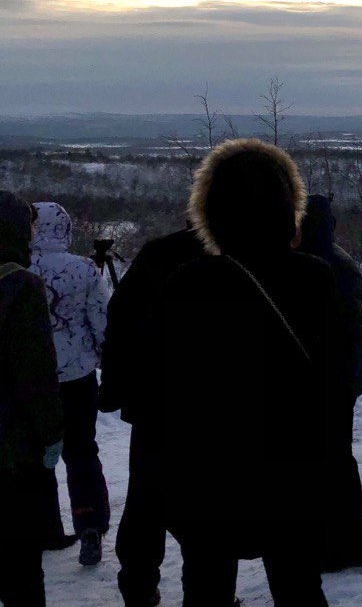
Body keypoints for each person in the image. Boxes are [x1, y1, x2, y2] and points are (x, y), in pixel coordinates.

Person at [161, 138, 351, 606]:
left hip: (206, 478)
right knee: (301, 590)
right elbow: (335, 386)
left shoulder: (189, 284)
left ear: (211, 211)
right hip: (292, 477)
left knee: (205, 592)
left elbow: (164, 392)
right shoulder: (315, 279)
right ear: (289, 210)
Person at [98, 224, 205, 607]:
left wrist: (115, 387)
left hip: (155, 403)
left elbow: (120, 315)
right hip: (215, 408)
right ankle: (207, 592)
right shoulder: (245, 256)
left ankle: (138, 585)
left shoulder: (160, 252)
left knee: (147, 497)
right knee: (207, 508)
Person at [29, 201, 110, 567]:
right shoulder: (85, 270)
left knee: (33, 455)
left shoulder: (15, 270)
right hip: (77, 377)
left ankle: (42, 526)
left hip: (29, 381)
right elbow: (102, 324)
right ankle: (89, 526)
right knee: (80, 451)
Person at [298, 195, 362, 573]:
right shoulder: (342, 262)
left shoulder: (307, 266)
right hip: (342, 378)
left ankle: (333, 547)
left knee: (322, 463)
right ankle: (350, 544)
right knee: (338, 460)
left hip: (321, 379)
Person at [0, 191, 65, 607]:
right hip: (13, 447)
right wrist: (50, 434)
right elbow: (35, 372)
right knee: (22, 564)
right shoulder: (21, 286)